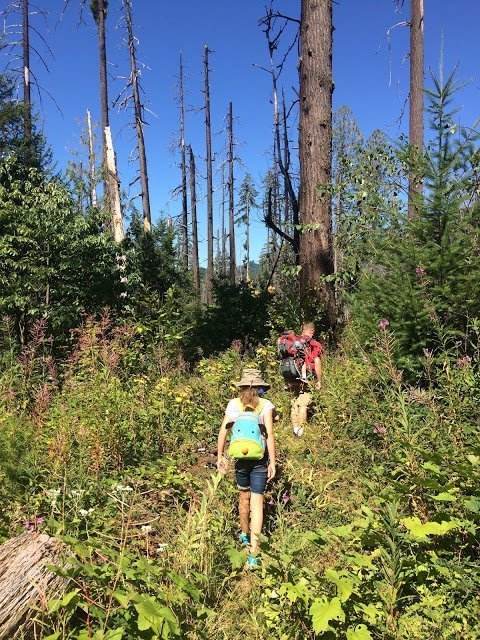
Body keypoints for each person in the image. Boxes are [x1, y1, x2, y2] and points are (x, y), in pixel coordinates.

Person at [217, 368, 276, 567]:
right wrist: (273, 462)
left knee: (244, 496)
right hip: (259, 458)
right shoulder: (265, 405)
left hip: (240, 459)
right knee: (257, 503)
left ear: (241, 386)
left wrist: (220, 457)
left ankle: (244, 534)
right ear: (260, 387)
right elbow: (269, 434)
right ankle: (253, 554)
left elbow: (223, 432)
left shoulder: (233, 405)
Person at [286, 322, 323, 436]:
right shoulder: (314, 344)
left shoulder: (293, 343)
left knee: (294, 404)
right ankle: (300, 433)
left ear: (302, 331)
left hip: (291, 378)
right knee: (303, 404)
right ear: (312, 331)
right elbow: (316, 362)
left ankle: (295, 430)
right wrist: (319, 381)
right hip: (306, 378)